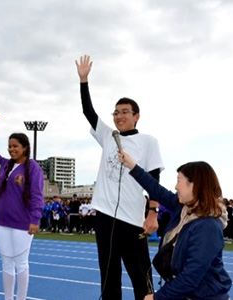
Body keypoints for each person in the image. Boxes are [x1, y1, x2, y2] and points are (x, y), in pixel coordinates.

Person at [76, 55, 164, 300]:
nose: (118, 116)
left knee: (141, 278)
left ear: (137, 115)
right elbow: (87, 111)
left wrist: (153, 212)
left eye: (125, 112)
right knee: (108, 278)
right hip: (105, 217)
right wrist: (84, 81)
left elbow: (155, 178)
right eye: (115, 112)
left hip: (133, 220)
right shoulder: (107, 135)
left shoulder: (148, 141)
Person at [118, 152, 232, 300]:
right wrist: (132, 166)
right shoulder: (184, 209)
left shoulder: (208, 226)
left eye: (179, 181)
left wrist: (157, 297)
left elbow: (191, 276)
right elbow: (156, 190)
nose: (176, 186)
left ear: (194, 186)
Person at [0, 112, 44, 300]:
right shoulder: (4, 164)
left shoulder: (33, 167)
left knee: (21, 263)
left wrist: (35, 219)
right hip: (2, 222)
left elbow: (37, 195)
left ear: (25, 147)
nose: (11, 150)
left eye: (15, 146)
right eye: (9, 146)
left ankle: (22, 298)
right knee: (6, 263)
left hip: (22, 223)